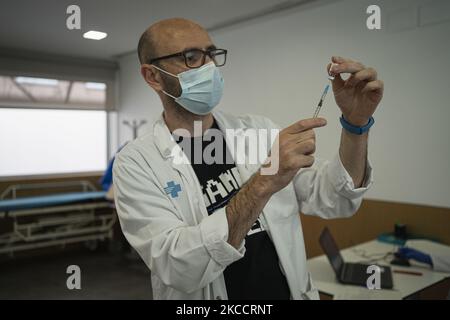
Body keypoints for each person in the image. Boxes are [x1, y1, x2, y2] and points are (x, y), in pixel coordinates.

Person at [112, 18, 384, 300]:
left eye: (211, 54)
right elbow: (177, 266)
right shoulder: (136, 162)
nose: (208, 67)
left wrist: (356, 125)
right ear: (152, 76)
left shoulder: (259, 131)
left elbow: (335, 198)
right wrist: (265, 180)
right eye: (190, 57)